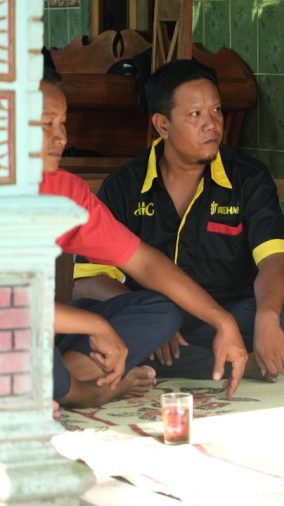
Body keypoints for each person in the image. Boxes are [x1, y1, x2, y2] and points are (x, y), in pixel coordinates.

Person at [73, 59, 284, 383]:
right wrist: (142, 310)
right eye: (195, 114)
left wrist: (267, 314)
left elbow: (274, 259)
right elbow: (87, 279)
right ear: (162, 125)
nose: (212, 125)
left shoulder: (248, 178)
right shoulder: (124, 186)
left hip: (227, 311)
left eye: (217, 111)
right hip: (156, 312)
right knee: (108, 319)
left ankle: (161, 360)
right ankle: (236, 364)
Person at [39, 66, 247, 416]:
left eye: (63, 123)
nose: (61, 137)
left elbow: (145, 262)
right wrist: (95, 325)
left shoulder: (64, 192)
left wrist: (222, 321)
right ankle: (82, 391)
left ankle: (52, 384)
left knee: (160, 311)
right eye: (47, 124)